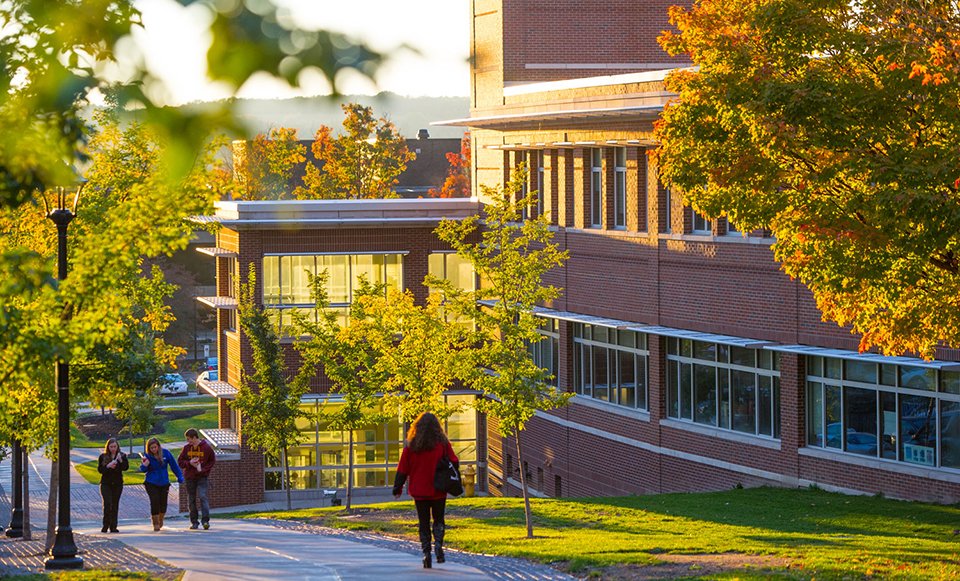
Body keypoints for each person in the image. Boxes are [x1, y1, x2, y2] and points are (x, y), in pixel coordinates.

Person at [392, 411, 459, 569]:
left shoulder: (412, 445)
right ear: (437, 427)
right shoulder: (442, 444)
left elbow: (403, 468)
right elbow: (454, 460)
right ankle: (439, 547)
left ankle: (426, 553)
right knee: (439, 519)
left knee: (423, 523)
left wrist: (397, 487)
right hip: (438, 489)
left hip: (419, 490)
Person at [139, 437, 183, 531]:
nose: (154, 450)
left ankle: (161, 519)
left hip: (164, 482)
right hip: (151, 482)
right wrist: (144, 465)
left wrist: (179, 476)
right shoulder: (147, 456)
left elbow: (174, 466)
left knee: (163, 503)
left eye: (155, 447)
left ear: (158, 446)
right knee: (154, 501)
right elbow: (143, 469)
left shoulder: (166, 453)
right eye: (151, 448)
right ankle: (155, 522)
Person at [177, 428, 216, 530]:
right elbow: (180, 461)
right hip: (190, 477)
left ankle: (205, 521)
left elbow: (212, 461)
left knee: (203, 496)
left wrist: (202, 469)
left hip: (202, 477)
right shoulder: (186, 448)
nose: (188, 441)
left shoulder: (206, 448)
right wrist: (189, 463)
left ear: (195, 437)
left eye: (189, 439)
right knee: (191, 499)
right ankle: (194, 522)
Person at [97, 438, 128, 533]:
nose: (113, 448)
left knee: (115, 504)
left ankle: (113, 526)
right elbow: (100, 470)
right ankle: (105, 525)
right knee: (107, 503)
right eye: (111, 447)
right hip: (106, 483)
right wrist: (108, 466)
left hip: (117, 484)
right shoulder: (103, 456)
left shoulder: (122, 456)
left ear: (117, 446)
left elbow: (125, 468)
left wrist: (121, 461)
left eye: (115, 446)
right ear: (108, 447)